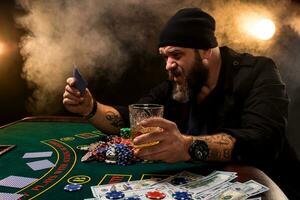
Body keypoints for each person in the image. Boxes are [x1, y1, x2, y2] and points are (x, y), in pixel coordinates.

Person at [63, 8, 290, 165]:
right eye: (165, 57)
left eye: (176, 55)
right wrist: (90, 108)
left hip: (267, 185)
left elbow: (263, 141)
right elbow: (131, 119)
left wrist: (187, 146)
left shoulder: (258, 72)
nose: (168, 66)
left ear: (205, 51)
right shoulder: (179, 84)